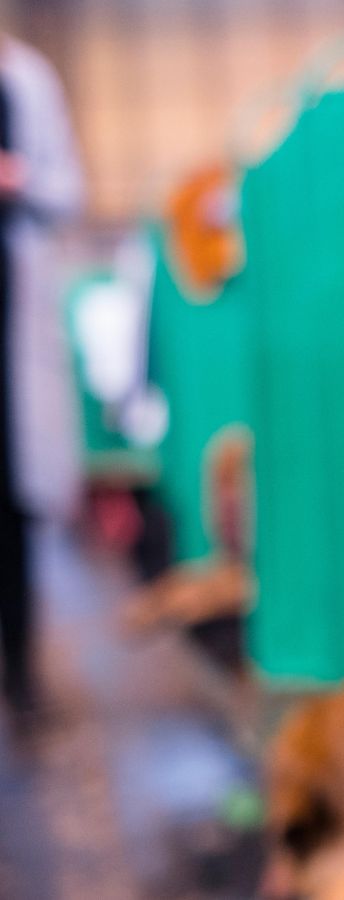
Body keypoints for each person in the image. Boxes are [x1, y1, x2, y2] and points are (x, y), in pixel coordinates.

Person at [0, 34, 85, 717]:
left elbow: (68, 188)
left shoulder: (26, 80)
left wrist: (19, 178)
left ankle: (22, 675)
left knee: (12, 513)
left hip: (11, 316)